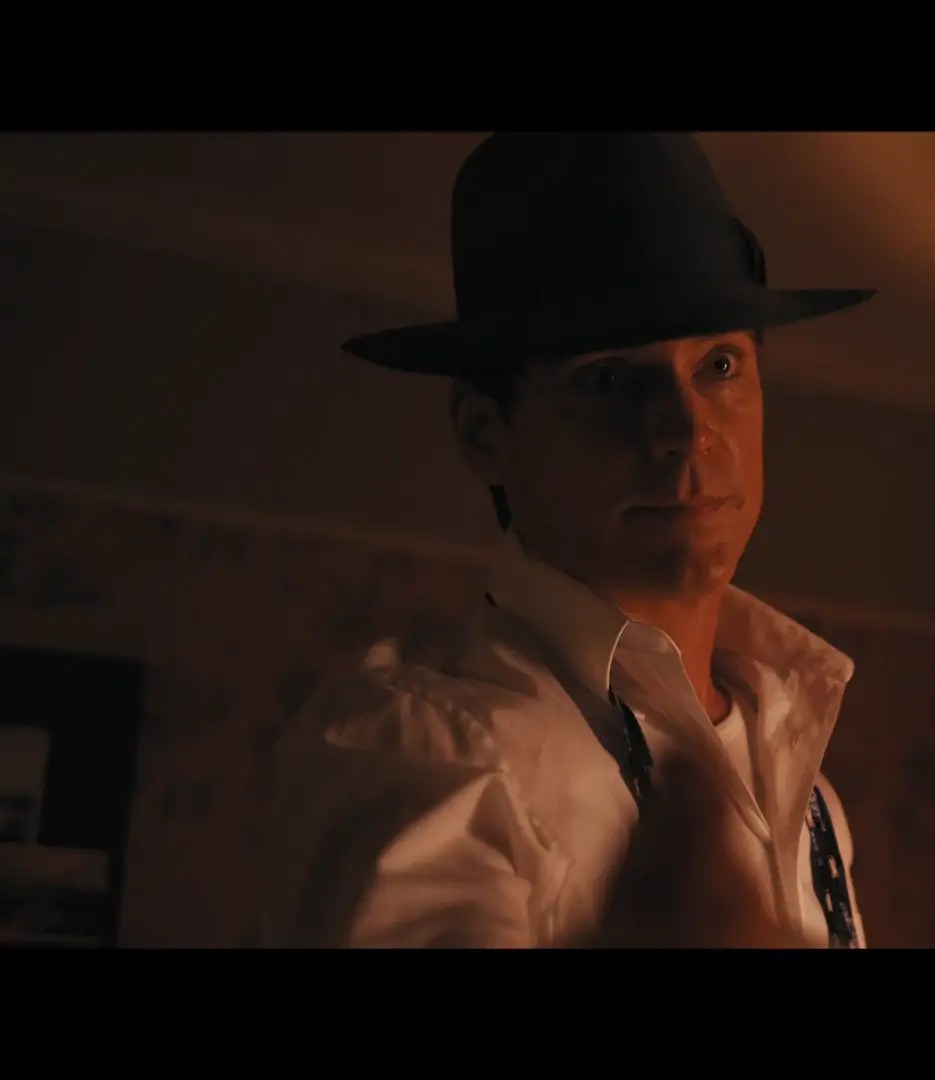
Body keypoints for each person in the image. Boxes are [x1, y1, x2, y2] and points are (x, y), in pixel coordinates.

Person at [254, 132, 876, 947]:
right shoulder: (422, 746)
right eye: (609, 378)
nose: (686, 430)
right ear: (485, 435)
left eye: (719, 365)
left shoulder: (814, 800)